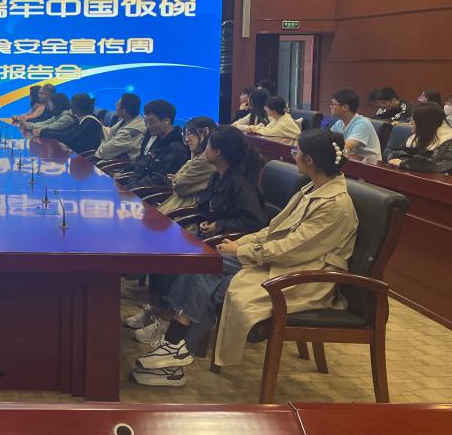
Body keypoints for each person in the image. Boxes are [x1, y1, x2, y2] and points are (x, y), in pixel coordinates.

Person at [130, 129, 357, 385]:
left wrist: (242, 251)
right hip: (282, 262)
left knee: (212, 276)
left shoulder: (335, 204)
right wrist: (241, 243)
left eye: (296, 152)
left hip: (302, 275)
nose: (294, 156)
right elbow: (273, 230)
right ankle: (175, 348)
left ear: (310, 160)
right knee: (207, 263)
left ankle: (174, 350)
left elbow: (294, 248)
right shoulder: (313, 189)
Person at [120, 100, 190, 189]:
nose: (147, 126)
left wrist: (128, 187)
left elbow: (158, 179)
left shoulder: (177, 147)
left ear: (166, 121)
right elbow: (142, 163)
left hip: (149, 192)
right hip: (137, 186)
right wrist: (122, 173)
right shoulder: (157, 138)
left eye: (151, 121)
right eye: (146, 121)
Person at [156, 117, 216, 215]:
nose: (186, 140)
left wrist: (176, 178)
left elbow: (178, 185)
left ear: (205, 132)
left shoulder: (205, 160)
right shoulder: (199, 157)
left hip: (183, 214)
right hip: (177, 209)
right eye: (185, 135)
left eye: (190, 133)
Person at [387, 103, 452, 171]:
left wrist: (404, 163)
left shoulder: (448, 140)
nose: (411, 123)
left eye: (413, 120)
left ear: (425, 123)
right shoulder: (419, 136)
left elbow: (437, 167)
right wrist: (403, 161)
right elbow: (395, 154)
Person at [329, 88, 382, 163]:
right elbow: (327, 140)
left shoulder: (362, 123)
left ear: (345, 107)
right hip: (352, 161)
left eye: (333, 104)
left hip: (369, 166)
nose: (330, 106)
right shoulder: (339, 123)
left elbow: (346, 147)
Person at [95, 93, 145, 161]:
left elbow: (103, 153)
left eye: (117, 104)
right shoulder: (127, 120)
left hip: (121, 165)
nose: (115, 105)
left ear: (124, 111)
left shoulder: (130, 132)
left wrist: (103, 144)